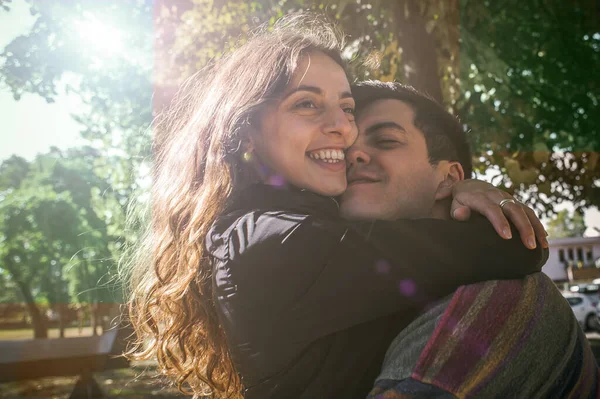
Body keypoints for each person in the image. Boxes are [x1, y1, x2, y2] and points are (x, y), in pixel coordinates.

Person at [125, 14, 547, 399]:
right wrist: (477, 197)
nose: (343, 128)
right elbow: (516, 247)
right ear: (246, 131)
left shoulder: (283, 227)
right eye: (307, 104)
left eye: (346, 108)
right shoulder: (277, 241)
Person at [341, 80, 598, 398]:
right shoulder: (394, 296)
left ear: (448, 177)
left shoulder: (491, 309)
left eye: (385, 140)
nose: (354, 155)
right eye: (345, 146)